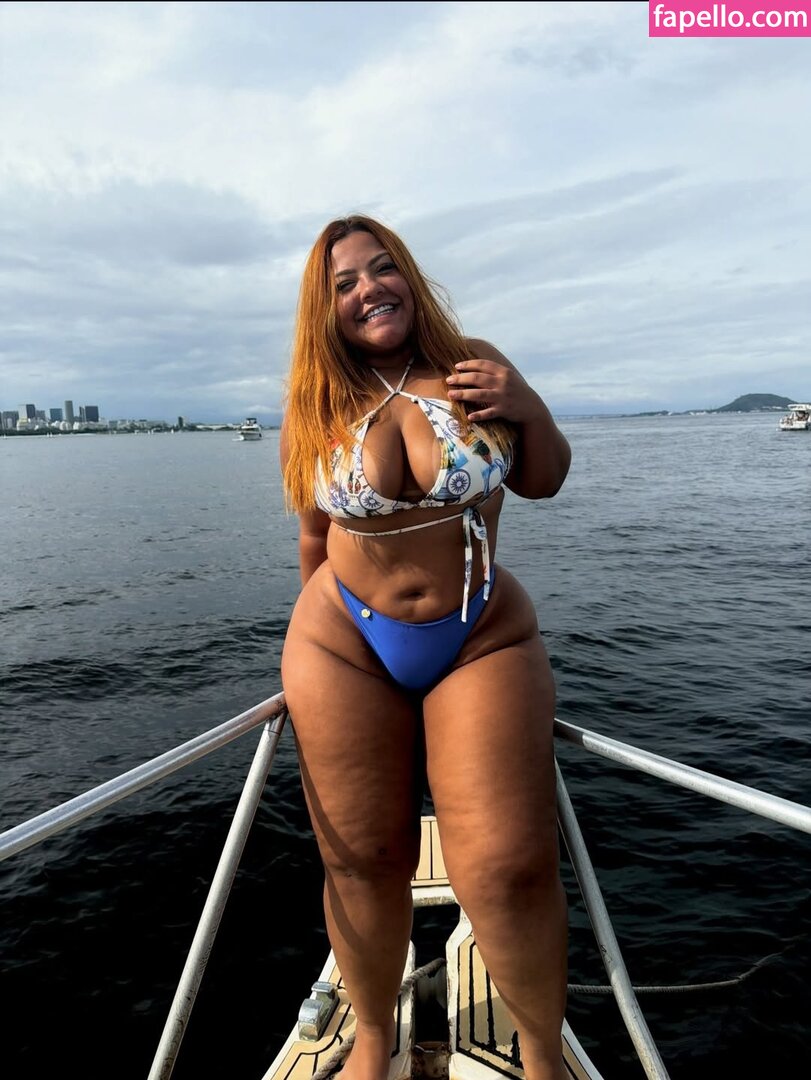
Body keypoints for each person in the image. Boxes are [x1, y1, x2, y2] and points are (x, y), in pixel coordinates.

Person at [280, 214, 572, 1080]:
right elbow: (312, 537)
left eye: (382, 268)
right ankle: (373, 1038)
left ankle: (540, 1055)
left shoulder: (472, 365)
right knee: (361, 860)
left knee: (510, 866)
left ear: (408, 276)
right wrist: (329, 646)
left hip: (479, 633)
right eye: (344, 282)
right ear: (325, 307)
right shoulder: (316, 398)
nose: (369, 288)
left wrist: (527, 405)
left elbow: (544, 479)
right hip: (344, 644)